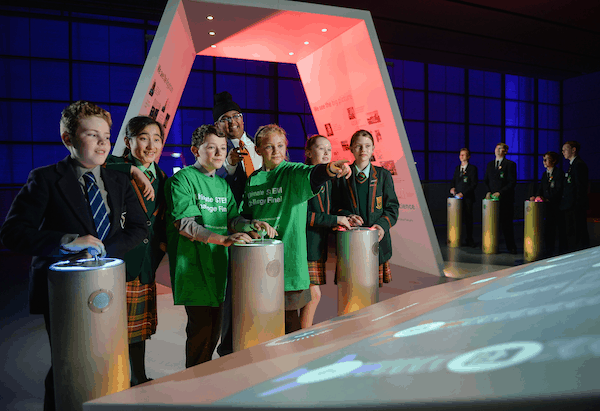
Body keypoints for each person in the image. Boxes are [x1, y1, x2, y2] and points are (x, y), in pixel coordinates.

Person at [0, 101, 147, 411]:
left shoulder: (119, 181)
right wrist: (67, 241)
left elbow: (137, 228)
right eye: (92, 135)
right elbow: (12, 233)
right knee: (70, 366)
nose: (103, 143)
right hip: (63, 290)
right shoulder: (44, 179)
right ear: (68, 139)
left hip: (107, 282)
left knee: (108, 360)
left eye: (106, 135)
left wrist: (107, 250)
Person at [164, 124, 274, 368]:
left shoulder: (223, 186)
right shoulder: (182, 180)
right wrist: (223, 240)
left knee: (214, 334)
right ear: (195, 150)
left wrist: (250, 224)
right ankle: (194, 387)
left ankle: (203, 384)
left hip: (219, 270)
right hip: (194, 271)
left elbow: (232, 220)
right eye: (211, 148)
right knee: (201, 335)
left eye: (222, 148)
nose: (218, 154)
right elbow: (185, 225)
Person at [240, 124, 351, 334]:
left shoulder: (293, 173)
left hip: (288, 270)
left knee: (289, 330)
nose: (276, 151)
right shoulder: (253, 180)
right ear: (258, 150)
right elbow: (245, 215)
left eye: (280, 145)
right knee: (263, 330)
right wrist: (251, 227)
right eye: (270, 146)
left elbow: (313, 174)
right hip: (258, 267)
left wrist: (329, 170)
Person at [105, 115, 168, 386]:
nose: (150, 145)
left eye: (156, 139)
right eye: (143, 138)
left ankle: (138, 376)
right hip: (118, 260)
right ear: (128, 142)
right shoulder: (114, 169)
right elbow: (101, 163)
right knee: (110, 327)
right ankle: (112, 380)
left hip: (145, 262)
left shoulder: (163, 177)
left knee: (138, 329)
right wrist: (132, 170)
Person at [212, 91, 263, 357]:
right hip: (230, 228)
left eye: (236, 116)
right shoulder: (216, 151)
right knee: (231, 290)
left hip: (260, 228)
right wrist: (228, 167)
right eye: (225, 119)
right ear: (217, 125)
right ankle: (229, 347)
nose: (232, 123)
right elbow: (213, 182)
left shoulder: (260, 147)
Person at [335, 130, 400, 287]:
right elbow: (335, 207)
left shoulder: (383, 175)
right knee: (350, 288)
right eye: (358, 146)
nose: (363, 150)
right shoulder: (341, 175)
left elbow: (392, 207)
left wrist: (382, 226)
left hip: (376, 241)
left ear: (372, 149)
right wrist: (346, 216)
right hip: (350, 241)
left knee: (372, 291)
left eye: (367, 146)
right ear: (350, 148)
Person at [300, 135, 352, 328]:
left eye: (329, 150)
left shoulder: (330, 180)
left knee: (310, 295)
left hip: (317, 245)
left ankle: (300, 334)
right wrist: (335, 219)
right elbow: (303, 216)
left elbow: (337, 207)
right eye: (321, 148)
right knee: (313, 295)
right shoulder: (302, 176)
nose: (326, 153)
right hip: (303, 244)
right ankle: (301, 335)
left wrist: (347, 216)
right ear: (308, 153)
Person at [484, 142, 517, 254]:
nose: (498, 151)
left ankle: (511, 246)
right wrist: (488, 191)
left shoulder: (510, 164)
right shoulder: (490, 164)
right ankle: (492, 246)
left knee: (506, 223)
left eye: (501, 149)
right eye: (497, 148)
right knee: (492, 224)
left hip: (505, 199)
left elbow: (512, 182)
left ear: (505, 151)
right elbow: (486, 181)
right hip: (492, 201)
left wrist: (500, 192)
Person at [529, 151, 565, 256]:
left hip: (556, 205)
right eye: (543, 159)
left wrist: (547, 198)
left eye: (547, 159)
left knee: (557, 227)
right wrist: (536, 196)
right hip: (546, 206)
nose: (544, 162)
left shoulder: (559, 173)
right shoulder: (545, 174)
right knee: (548, 228)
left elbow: (558, 190)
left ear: (554, 160)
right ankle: (549, 248)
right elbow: (541, 188)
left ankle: (561, 249)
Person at [560, 141, 589, 252]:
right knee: (571, 232)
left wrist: (577, 203)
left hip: (575, 205)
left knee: (578, 232)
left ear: (573, 149)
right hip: (569, 205)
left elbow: (580, 187)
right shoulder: (572, 165)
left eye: (565, 149)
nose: (563, 152)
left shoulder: (579, 165)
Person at [450, 148, 478, 247]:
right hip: (457, 199)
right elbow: (454, 181)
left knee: (468, 219)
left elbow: (474, 184)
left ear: (468, 156)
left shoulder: (472, 168)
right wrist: (452, 188)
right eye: (460, 155)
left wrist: (463, 193)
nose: (461, 156)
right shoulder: (457, 168)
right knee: (457, 219)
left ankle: (469, 239)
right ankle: (456, 238)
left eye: (464, 155)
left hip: (468, 198)